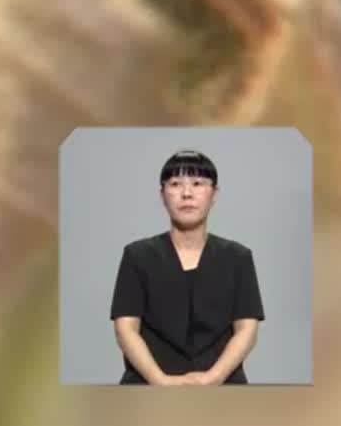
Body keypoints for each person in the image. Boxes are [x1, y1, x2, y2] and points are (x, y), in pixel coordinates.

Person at [109, 149, 265, 385]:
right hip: (146, 390)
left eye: (198, 183)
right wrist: (160, 380)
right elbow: (125, 328)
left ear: (214, 194)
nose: (187, 193)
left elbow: (247, 328)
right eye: (175, 184)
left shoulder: (238, 257)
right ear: (162, 195)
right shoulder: (137, 256)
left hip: (223, 389)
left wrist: (214, 377)